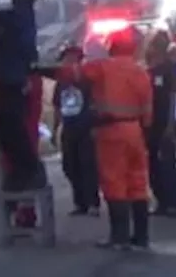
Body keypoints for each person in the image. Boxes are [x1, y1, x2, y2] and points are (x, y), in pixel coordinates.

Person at [58, 27, 153, 251]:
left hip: (111, 131)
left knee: (114, 182)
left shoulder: (103, 68)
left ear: (111, 47)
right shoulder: (141, 72)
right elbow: (148, 110)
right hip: (135, 131)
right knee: (138, 183)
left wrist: (38, 69)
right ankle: (141, 237)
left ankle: (119, 237)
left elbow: (72, 74)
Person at [0, 0, 47, 192]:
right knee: (6, 129)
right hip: (8, 77)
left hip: (12, 79)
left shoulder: (22, 16)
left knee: (12, 128)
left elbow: (8, 28)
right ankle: (20, 172)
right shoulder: (22, 15)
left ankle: (28, 171)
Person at [51, 44, 100, 216]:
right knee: (69, 165)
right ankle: (80, 202)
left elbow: (96, 102)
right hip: (69, 127)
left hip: (85, 127)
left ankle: (93, 202)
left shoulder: (87, 79)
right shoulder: (61, 83)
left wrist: (95, 125)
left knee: (88, 165)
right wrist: (55, 129)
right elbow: (57, 106)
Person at [145, 31, 176, 218]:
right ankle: (161, 201)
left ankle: (174, 203)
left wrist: (170, 124)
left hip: (163, 123)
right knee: (152, 164)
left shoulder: (168, 69)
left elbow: (172, 96)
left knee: (167, 163)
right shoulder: (148, 71)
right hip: (149, 124)